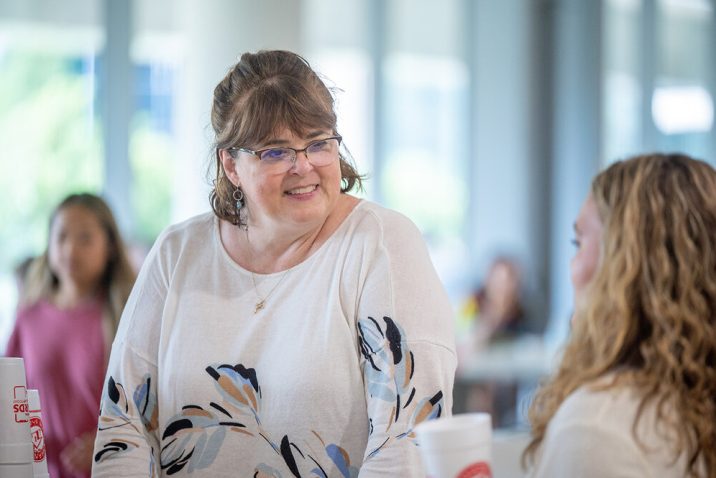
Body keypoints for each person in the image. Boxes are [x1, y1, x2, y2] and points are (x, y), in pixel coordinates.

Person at [91, 50, 456, 477]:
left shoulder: (381, 244)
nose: (303, 166)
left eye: (319, 143)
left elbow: (407, 441)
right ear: (231, 164)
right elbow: (124, 425)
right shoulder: (177, 254)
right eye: (276, 152)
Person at [525, 153, 716, 477]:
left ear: (627, 266)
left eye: (578, 242)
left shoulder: (597, 427)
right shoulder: (694, 406)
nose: (572, 270)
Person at [5, 193, 136, 478]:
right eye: (61, 236)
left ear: (111, 247)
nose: (70, 249)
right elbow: (6, 400)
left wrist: (111, 442)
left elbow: (149, 402)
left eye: (85, 238)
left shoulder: (129, 317)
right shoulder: (28, 318)